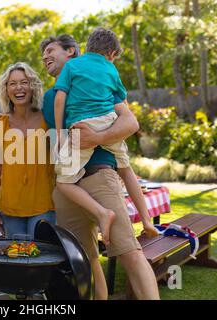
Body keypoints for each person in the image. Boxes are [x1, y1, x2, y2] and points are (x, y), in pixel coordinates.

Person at [40, 35, 160, 300]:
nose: (45, 57)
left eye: (50, 50)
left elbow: (130, 121)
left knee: (130, 253)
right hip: (68, 189)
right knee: (85, 259)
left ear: (71, 52)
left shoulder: (96, 83)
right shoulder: (51, 96)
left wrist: (97, 138)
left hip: (98, 177)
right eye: (42, 54)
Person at [53, 28, 159, 245]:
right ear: (111, 53)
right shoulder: (111, 69)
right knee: (127, 169)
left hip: (83, 126)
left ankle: (102, 213)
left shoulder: (72, 65)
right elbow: (123, 104)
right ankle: (147, 221)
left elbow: (59, 99)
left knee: (63, 181)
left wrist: (61, 134)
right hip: (109, 121)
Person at [0, 62, 56, 239]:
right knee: (16, 260)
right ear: (6, 90)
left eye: (24, 82)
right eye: (12, 83)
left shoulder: (48, 119)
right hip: (10, 205)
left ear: (32, 86)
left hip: (44, 203)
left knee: (40, 259)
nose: (19, 88)